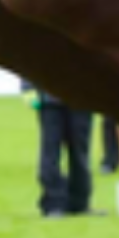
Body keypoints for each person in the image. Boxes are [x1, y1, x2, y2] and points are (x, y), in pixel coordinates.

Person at [30, 88, 96, 219]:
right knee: (51, 153)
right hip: (50, 102)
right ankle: (54, 204)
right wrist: (28, 89)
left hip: (82, 100)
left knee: (80, 154)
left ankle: (80, 203)